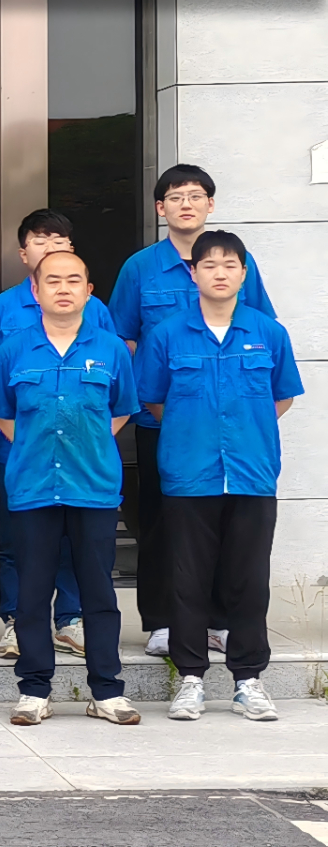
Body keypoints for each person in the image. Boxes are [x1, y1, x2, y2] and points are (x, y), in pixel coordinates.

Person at [110, 165, 278, 658]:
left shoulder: (238, 263)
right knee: (160, 522)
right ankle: (162, 621)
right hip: (159, 419)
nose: (186, 204)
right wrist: (174, 414)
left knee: (228, 527)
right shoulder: (140, 267)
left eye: (196, 195)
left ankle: (220, 621)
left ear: (211, 205)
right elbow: (124, 337)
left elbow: (261, 328)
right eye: (176, 196)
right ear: (160, 208)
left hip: (232, 430)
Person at [136, 230, 301, 723]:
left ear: (244, 274)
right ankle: (190, 678)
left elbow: (282, 396)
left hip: (251, 473)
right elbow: (153, 399)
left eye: (230, 265)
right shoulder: (167, 334)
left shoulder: (268, 332)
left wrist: (244, 429)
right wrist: (195, 429)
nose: (220, 273)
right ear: (194, 273)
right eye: (209, 265)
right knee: (187, 578)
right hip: (190, 473)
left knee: (249, 580)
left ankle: (248, 680)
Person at [0, 250, 140, 726]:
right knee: (32, 593)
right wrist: (36, 443)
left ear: (89, 291)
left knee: (98, 592)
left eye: (74, 280)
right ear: (36, 291)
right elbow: (0, 411)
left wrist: (86, 444)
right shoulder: (14, 349)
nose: (64, 288)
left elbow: (122, 408)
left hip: (93, 486)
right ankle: (34, 690)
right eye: (53, 280)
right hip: (32, 486)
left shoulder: (111, 349)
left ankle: (106, 691)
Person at [0, 211, 117, 658]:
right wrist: (28, 435)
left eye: (60, 239)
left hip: (84, 458)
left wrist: (87, 436)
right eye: (40, 239)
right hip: (20, 451)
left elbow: (116, 392)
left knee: (76, 542)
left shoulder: (97, 312)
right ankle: (18, 619)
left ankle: (70, 619)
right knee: (15, 541)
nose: (51, 246)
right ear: (24, 253)